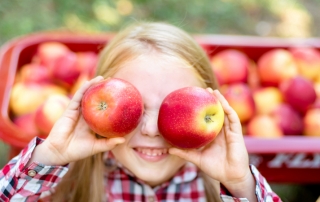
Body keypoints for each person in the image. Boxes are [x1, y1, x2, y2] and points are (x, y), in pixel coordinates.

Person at [0, 21, 281, 202]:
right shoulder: (67, 182)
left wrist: (242, 186)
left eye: (173, 110)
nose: (151, 129)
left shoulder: (222, 191)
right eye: (134, 109)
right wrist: (51, 156)